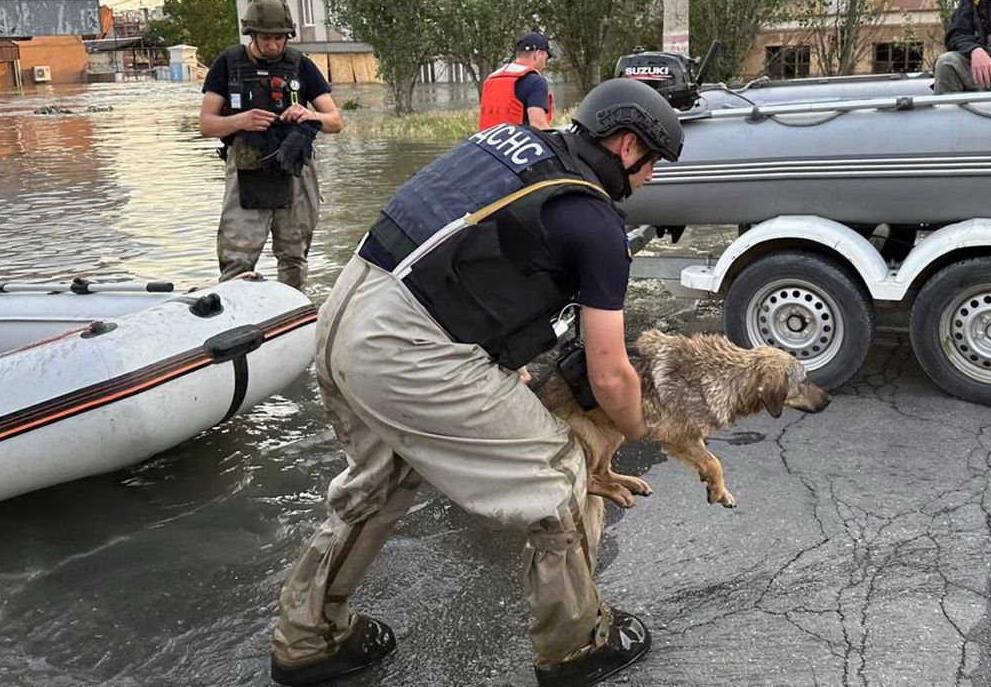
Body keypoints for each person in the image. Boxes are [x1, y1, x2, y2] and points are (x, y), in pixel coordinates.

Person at [270, 77, 685, 687]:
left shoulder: (509, 141)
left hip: (347, 310)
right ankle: (576, 646)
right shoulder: (595, 223)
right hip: (406, 349)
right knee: (563, 473)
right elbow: (610, 372)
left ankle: (308, 639)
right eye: (654, 165)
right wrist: (647, 431)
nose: (651, 180)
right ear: (627, 148)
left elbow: (459, 246)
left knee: (376, 484)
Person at [199, 0, 343, 292]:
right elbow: (206, 124)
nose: (273, 45)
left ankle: (292, 310)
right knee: (237, 255)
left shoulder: (301, 65)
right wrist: (240, 121)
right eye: (266, 38)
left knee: (293, 254)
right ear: (252, 34)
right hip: (246, 167)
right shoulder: (227, 64)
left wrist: (308, 114)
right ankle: (234, 311)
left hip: (294, 169)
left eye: (279, 38)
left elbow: (335, 121)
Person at [478, 30, 554, 130]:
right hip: (517, 144)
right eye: (546, 59)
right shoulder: (536, 82)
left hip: (486, 144)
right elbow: (538, 126)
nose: (545, 64)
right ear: (538, 54)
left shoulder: (491, 79)